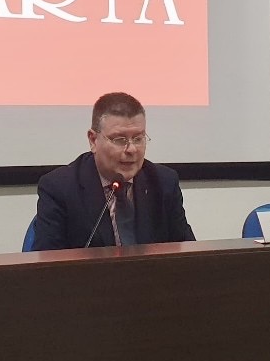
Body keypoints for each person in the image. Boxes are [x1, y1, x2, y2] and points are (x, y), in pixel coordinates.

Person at [32, 92, 195, 250]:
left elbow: (188, 254)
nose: (131, 149)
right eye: (119, 140)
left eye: (138, 138)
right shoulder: (60, 188)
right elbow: (49, 263)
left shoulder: (164, 182)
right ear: (93, 140)